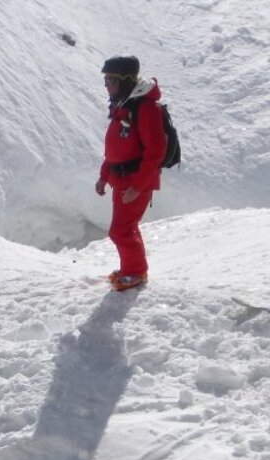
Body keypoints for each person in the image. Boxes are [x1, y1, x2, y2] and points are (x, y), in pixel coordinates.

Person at [94, 55, 168, 292]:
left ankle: (135, 272)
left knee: (121, 230)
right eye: (105, 80)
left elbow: (156, 151)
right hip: (121, 178)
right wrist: (104, 175)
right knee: (126, 227)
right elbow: (114, 148)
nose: (107, 85)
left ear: (126, 80)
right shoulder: (123, 104)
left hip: (136, 180)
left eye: (111, 80)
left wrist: (137, 185)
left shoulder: (145, 108)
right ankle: (132, 269)